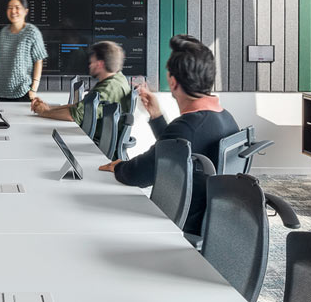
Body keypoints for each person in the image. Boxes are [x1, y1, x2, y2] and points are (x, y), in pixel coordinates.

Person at [100, 35, 238, 235]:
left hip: (181, 225)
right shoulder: (225, 118)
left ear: (173, 82)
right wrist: (156, 116)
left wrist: (118, 166)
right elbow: (176, 151)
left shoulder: (187, 128)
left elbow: (138, 175)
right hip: (212, 225)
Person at [30, 40, 129, 126]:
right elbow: (79, 107)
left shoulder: (107, 89)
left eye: (91, 62)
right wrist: (49, 107)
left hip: (92, 142)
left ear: (100, 64)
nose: (89, 66)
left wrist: (44, 112)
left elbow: (73, 115)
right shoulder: (118, 79)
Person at [0, 0, 47, 102]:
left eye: (17, 7)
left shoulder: (32, 32)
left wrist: (34, 89)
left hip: (23, 92)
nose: (13, 11)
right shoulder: (4, 32)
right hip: (2, 92)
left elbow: (39, 60)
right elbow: (0, 58)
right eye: (10, 8)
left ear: (25, 11)